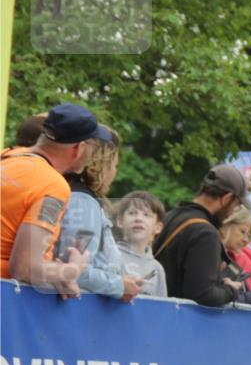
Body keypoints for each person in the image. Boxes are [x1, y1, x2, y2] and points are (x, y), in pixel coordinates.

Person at [1, 103, 111, 296]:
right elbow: (24, 268)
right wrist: (70, 270)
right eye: (93, 146)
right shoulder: (52, 186)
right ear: (79, 148)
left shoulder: (8, 156)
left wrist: (55, 276)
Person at [154, 164, 251, 308]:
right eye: (236, 205)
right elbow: (203, 295)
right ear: (227, 198)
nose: (233, 212)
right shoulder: (206, 233)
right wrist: (231, 290)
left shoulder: (170, 217)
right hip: (180, 323)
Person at [56, 126, 145, 301]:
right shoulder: (82, 201)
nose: (115, 172)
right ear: (102, 164)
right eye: (115, 165)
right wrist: (120, 285)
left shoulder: (75, 195)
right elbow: (73, 270)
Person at [114, 191, 167, 297]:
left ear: (158, 227)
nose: (138, 219)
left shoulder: (157, 269)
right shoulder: (110, 256)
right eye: (132, 213)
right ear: (120, 222)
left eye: (146, 215)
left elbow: (161, 308)